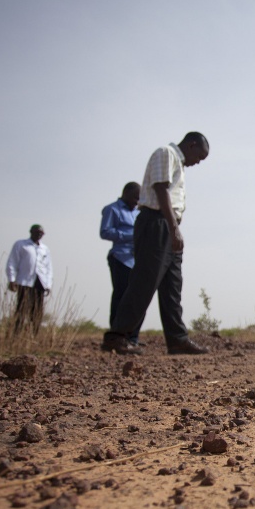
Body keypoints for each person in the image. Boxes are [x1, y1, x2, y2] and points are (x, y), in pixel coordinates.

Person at [101, 132, 210, 355]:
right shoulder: (166, 153)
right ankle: (117, 336)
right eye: (199, 156)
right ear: (191, 145)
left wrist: (174, 228)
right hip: (157, 223)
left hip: (168, 225)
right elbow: (161, 189)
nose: (198, 162)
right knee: (144, 282)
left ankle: (177, 339)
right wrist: (173, 227)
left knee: (172, 285)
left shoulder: (177, 162)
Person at [100, 181, 143, 345]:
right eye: (135, 197)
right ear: (125, 193)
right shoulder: (112, 209)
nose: (136, 202)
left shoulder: (137, 212)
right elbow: (105, 232)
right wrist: (131, 236)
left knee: (137, 298)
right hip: (120, 257)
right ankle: (116, 336)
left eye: (139, 199)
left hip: (137, 260)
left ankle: (132, 337)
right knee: (121, 296)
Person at [6, 224, 53, 334]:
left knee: (37, 311)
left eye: (41, 233)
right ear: (31, 232)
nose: (39, 234)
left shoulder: (45, 249)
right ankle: (17, 335)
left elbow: (48, 268)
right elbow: (12, 262)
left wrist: (48, 284)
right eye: (36, 232)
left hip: (39, 283)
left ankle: (34, 335)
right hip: (24, 281)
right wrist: (12, 279)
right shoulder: (21, 245)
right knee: (21, 310)